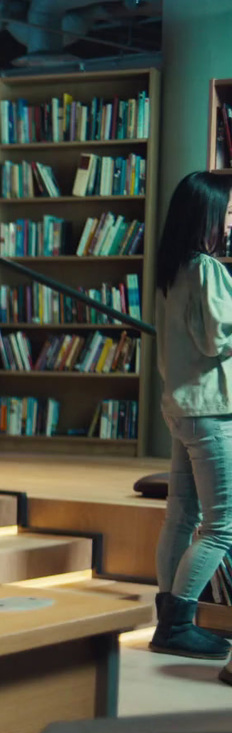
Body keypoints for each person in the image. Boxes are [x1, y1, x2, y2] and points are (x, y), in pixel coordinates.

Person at [151, 170, 232, 661]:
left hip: (182, 407)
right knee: (223, 525)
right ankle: (178, 624)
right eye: (226, 212)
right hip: (212, 410)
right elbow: (217, 339)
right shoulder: (208, 270)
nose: (229, 221)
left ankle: (168, 617)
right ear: (207, 216)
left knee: (181, 514)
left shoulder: (172, 268)